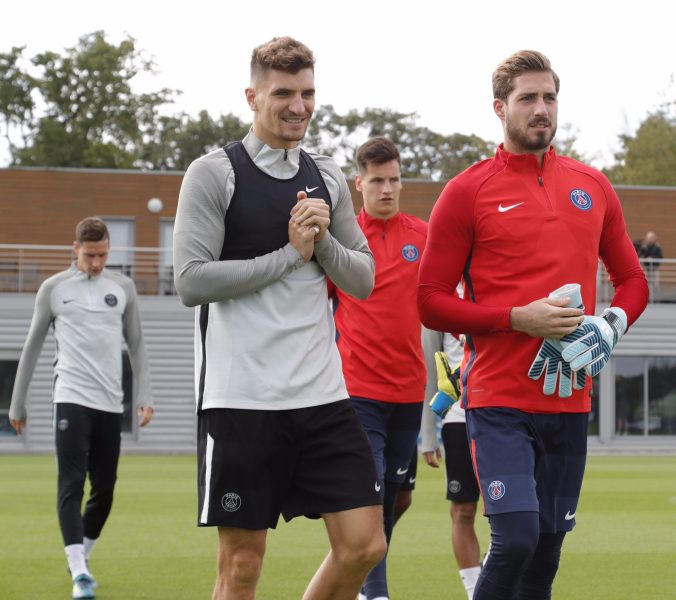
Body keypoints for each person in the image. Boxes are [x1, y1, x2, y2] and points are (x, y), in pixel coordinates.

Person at [418, 50, 649, 599]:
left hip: (570, 399)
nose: (541, 108)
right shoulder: (466, 191)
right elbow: (429, 301)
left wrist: (610, 323)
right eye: (527, 98)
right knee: (516, 537)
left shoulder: (592, 185)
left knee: (545, 554)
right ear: (500, 108)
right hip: (498, 400)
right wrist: (516, 319)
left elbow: (633, 280)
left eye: (549, 97)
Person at [172, 37, 386, 600]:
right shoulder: (215, 173)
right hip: (243, 400)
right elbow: (191, 280)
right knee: (242, 566)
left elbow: (362, 279)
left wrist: (320, 246)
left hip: (322, 396)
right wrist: (289, 255)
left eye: (308, 93)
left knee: (365, 546)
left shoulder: (328, 175)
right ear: (252, 96)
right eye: (283, 93)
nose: (299, 106)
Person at [9, 216, 154, 600]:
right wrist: (17, 402)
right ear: (75, 250)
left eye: (103, 255)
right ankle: (79, 573)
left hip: (110, 403)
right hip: (71, 396)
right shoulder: (53, 289)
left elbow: (136, 344)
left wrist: (144, 396)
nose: (96, 263)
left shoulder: (122, 288)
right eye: (90, 255)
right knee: (71, 484)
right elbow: (32, 345)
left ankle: (82, 561)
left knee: (104, 490)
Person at [329, 136, 427, 600]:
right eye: (377, 181)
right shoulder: (343, 238)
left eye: (394, 180)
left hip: (409, 394)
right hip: (358, 392)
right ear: (358, 182)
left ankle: (359, 559)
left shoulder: (424, 237)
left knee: (397, 495)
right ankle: (375, 590)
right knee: (373, 494)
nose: (387, 189)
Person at [421, 330, 482, 600]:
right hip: (458, 416)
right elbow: (430, 373)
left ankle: (496, 580)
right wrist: (428, 436)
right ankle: (476, 592)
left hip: (503, 410)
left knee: (514, 513)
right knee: (464, 510)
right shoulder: (440, 295)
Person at [638, 231, 664, 298]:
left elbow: (661, 257)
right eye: (648, 238)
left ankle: (656, 298)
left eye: (651, 238)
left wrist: (653, 258)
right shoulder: (644, 247)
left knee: (656, 284)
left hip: (655, 269)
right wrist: (645, 259)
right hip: (646, 268)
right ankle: (647, 298)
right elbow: (639, 256)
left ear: (654, 238)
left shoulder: (658, 247)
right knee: (645, 284)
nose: (649, 239)